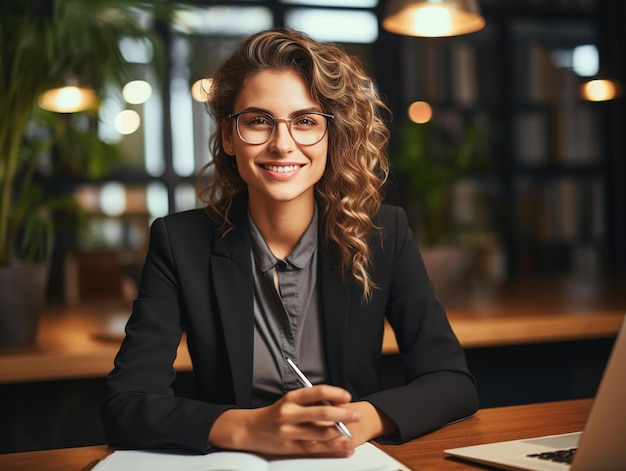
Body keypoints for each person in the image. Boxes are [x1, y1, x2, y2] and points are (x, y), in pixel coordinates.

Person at [101, 27, 478, 458]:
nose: (283, 144)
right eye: (259, 121)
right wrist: (248, 427)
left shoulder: (385, 233)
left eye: (306, 121)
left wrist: (357, 422)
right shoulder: (179, 242)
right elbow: (125, 405)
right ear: (229, 136)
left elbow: (453, 383)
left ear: (331, 136)